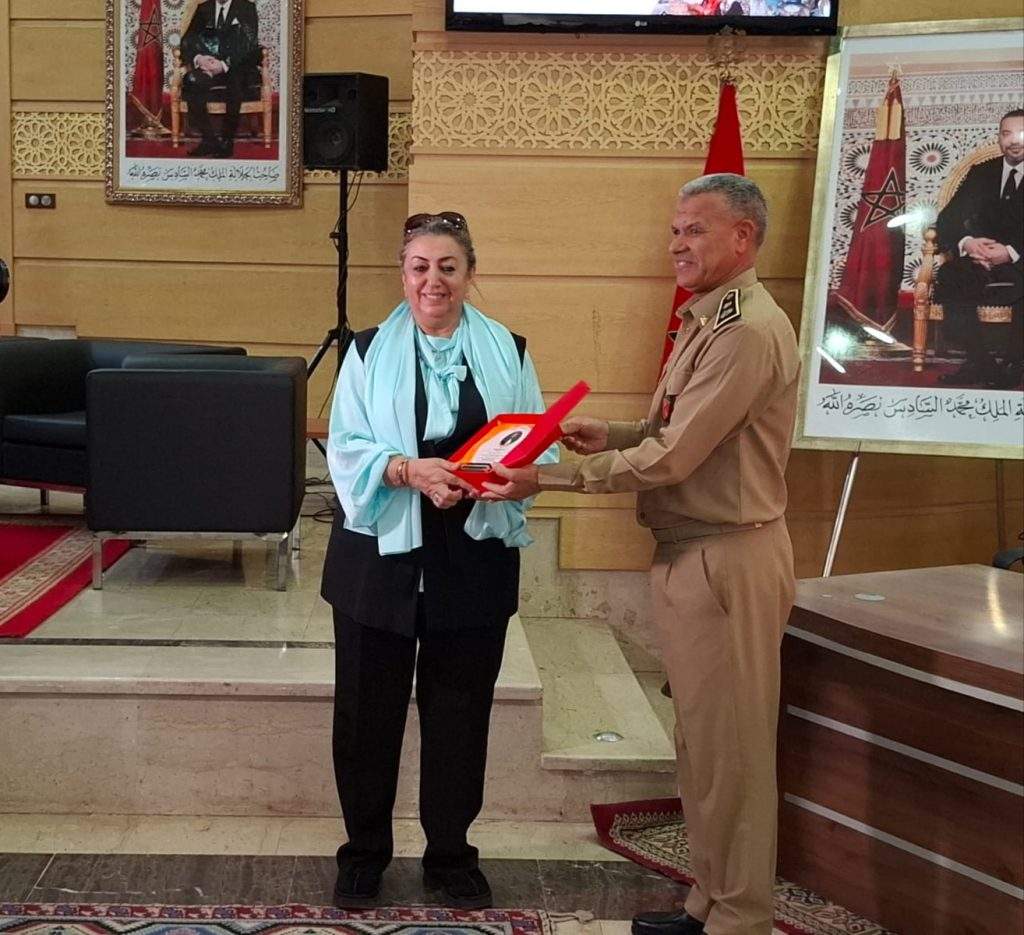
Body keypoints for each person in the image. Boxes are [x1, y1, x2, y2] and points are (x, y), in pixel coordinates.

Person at [483, 174, 800, 935]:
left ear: (743, 237)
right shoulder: (709, 320)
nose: (677, 245)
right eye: (675, 230)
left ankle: (740, 920)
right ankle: (709, 901)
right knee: (702, 745)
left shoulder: (747, 330)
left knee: (733, 754)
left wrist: (546, 476)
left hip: (728, 557)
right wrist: (614, 433)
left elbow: (675, 458)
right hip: (696, 554)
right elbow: (676, 433)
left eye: (695, 230)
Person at [320, 211, 555, 910]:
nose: (433, 281)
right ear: (403, 275)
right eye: (420, 267)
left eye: (448, 267)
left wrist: (511, 478)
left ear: (469, 274)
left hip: (473, 556)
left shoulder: (510, 351)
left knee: (460, 714)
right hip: (377, 562)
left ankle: (451, 855)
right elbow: (346, 447)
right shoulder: (365, 351)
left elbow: (536, 448)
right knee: (366, 716)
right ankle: (364, 854)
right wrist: (406, 470)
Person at [934, 108, 1024, 389]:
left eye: (1021, 133)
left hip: (1019, 263)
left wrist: (1010, 252)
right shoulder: (982, 173)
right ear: (999, 139)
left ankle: (1014, 364)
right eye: (1006, 133)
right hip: (979, 263)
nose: (1014, 140)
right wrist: (968, 243)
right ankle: (978, 362)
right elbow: (946, 220)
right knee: (950, 275)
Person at [179, 0, 260, 158]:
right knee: (191, 80)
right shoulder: (204, 8)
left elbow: (249, 44)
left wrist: (223, 65)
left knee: (235, 80)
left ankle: (226, 141)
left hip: (236, 66)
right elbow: (188, 40)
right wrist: (199, 58)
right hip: (208, 66)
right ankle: (209, 140)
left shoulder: (246, 8)